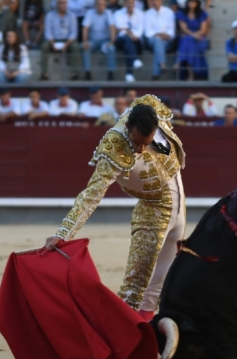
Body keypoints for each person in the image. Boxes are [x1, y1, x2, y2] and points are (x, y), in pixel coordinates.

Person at [43, 95, 188, 319]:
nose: (140, 148)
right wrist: (64, 232)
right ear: (128, 126)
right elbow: (92, 194)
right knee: (134, 288)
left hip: (180, 211)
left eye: (145, 143)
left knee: (158, 286)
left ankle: (144, 344)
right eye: (136, 142)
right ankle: (119, 343)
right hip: (153, 212)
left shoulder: (154, 112)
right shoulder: (114, 146)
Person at [41, 0, 81, 81]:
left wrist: (66, 44)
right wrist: (52, 44)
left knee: (75, 46)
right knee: (44, 46)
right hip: (53, 40)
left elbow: (73, 33)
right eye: (60, 3)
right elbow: (48, 32)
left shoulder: (72, 16)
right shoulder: (49, 15)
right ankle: (44, 73)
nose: (62, 5)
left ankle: (75, 73)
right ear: (56, 4)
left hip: (67, 40)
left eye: (64, 3)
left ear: (67, 4)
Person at [174, 0, 209, 81]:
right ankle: (191, 74)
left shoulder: (202, 14)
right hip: (188, 36)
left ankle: (179, 61)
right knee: (188, 41)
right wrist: (193, 35)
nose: (191, 3)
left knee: (187, 40)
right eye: (190, 1)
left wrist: (196, 35)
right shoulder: (182, 13)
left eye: (193, 2)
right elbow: (184, 29)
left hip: (199, 38)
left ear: (197, 3)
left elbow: (203, 30)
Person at [82, 0, 116, 81]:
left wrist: (112, 41)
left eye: (102, 5)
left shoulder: (108, 13)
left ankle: (111, 73)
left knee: (111, 48)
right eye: (98, 4)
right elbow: (85, 28)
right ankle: (87, 73)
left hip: (105, 40)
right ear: (95, 6)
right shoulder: (90, 13)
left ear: (105, 6)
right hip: (93, 40)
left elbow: (112, 28)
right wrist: (85, 41)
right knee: (86, 47)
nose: (100, 6)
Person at [143, 0, 176, 81]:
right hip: (151, 39)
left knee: (158, 47)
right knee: (158, 41)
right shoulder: (147, 14)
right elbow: (147, 32)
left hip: (166, 40)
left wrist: (165, 35)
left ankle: (156, 74)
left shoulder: (169, 12)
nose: (155, 2)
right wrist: (159, 34)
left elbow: (171, 30)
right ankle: (162, 64)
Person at [114, 0, 145, 82]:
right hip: (121, 40)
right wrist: (130, 34)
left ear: (134, 4)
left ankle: (129, 73)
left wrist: (133, 35)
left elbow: (140, 29)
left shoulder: (140, 13)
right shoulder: (118, 13)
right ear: (124, 4)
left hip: (136, 40)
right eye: (128, 2)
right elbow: (120, 29)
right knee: (128, 40)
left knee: (130, 44)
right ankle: (134, 60)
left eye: (131, 3)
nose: (130, 5)